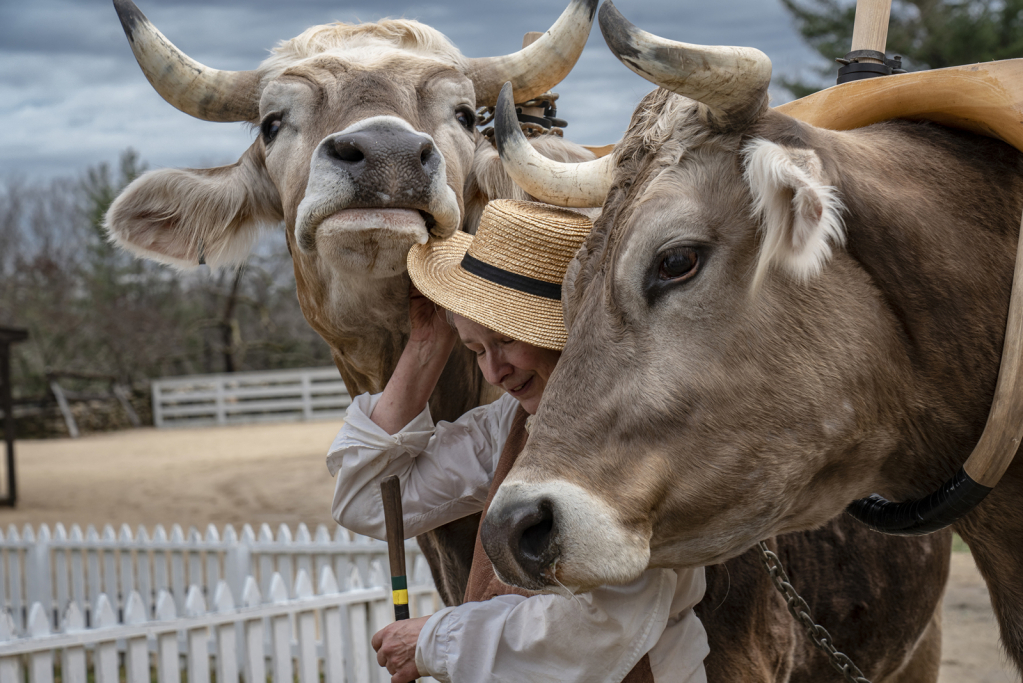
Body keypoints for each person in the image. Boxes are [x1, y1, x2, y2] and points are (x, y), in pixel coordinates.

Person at [327, 200, 709, 683]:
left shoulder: (634, 441)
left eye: (505, 340)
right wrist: (425, 347)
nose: (493, 371)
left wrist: (434, 641)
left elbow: (600, 631)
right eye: (474, 348)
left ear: (565, 331)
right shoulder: (509, 424)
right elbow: (370, 502)